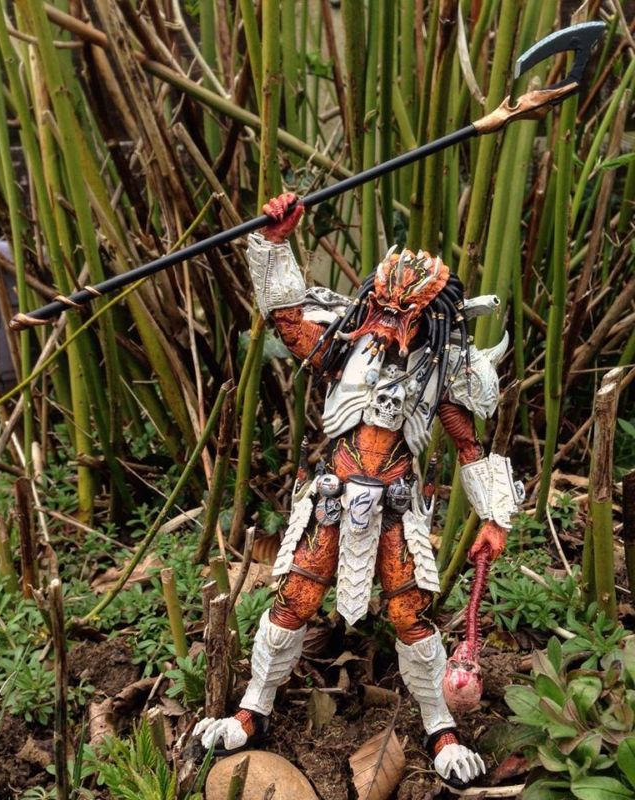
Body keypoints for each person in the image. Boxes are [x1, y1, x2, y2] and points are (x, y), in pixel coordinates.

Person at [195, 193, 523, 787]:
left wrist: (494, 516)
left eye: (405, 313)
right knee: (293, 601)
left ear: (431, 315)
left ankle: (440, 726)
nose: (389, 321)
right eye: (383, 308)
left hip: (395, 505)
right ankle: (252, 710)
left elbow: (469, 446)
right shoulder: (347, 344)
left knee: (409, 614)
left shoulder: (442, 368)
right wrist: (275, 242)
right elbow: (288, 320)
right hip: (333, 496)